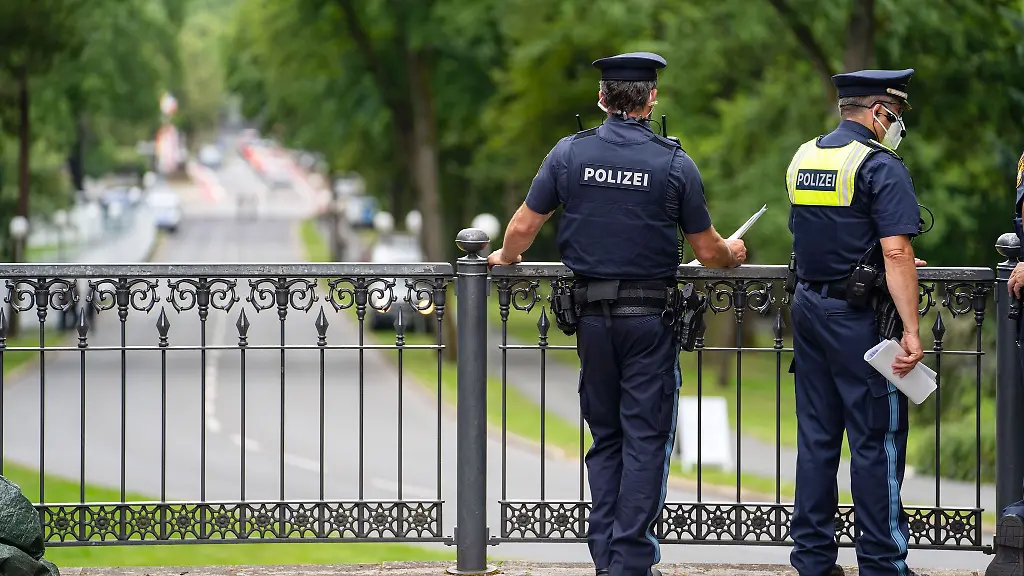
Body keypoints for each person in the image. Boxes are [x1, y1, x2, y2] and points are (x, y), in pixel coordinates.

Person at [486, 52, 745, 576]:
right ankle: (629, 560)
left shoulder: (568, 155)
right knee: (646, 440)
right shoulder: (675, 163)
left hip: (591, 321)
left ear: (602, 99)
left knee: (607, 439)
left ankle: (606, 556)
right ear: (652, 99)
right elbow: (709, 250)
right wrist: (733, 253)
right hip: (650, 322)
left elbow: (520, 229)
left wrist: (503, 260)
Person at [786, 69, 928, 576]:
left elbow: (817, 235)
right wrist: (910, 329)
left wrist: (893, 262)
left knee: (818, 439)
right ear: (876, 113)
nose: (897, 126)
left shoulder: (805, 157)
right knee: (877, 440)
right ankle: (883, 563)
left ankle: (812, 560)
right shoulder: (880, 165)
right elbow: (895, 248)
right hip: (860, 321)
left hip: (808, 308)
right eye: (896, 116)